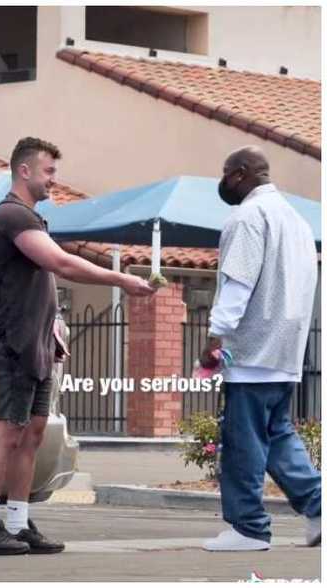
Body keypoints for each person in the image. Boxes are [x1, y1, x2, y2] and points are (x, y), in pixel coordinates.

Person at [0, 137, 156, 556]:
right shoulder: (12, 216)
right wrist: (122, 279)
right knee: (8, 430)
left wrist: (51, 322)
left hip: (36, 342)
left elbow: (42, 280)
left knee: (32, 432)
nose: (55, 179)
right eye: (49, 171)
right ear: (24, 171)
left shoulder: (32, 218)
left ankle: (17, 522)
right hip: (12, 341)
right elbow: (61, 263)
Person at [199, 145, 321, 552]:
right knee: (278, 433)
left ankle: (248, 528)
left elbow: (238, 282)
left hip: (251, 351)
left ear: (241, 173)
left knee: (242, 440)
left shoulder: (248, 217)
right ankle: (319, 509)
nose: (224, 181)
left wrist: (216, 337)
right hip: (286, 351)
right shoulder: (298, 222)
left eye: (226, 173)